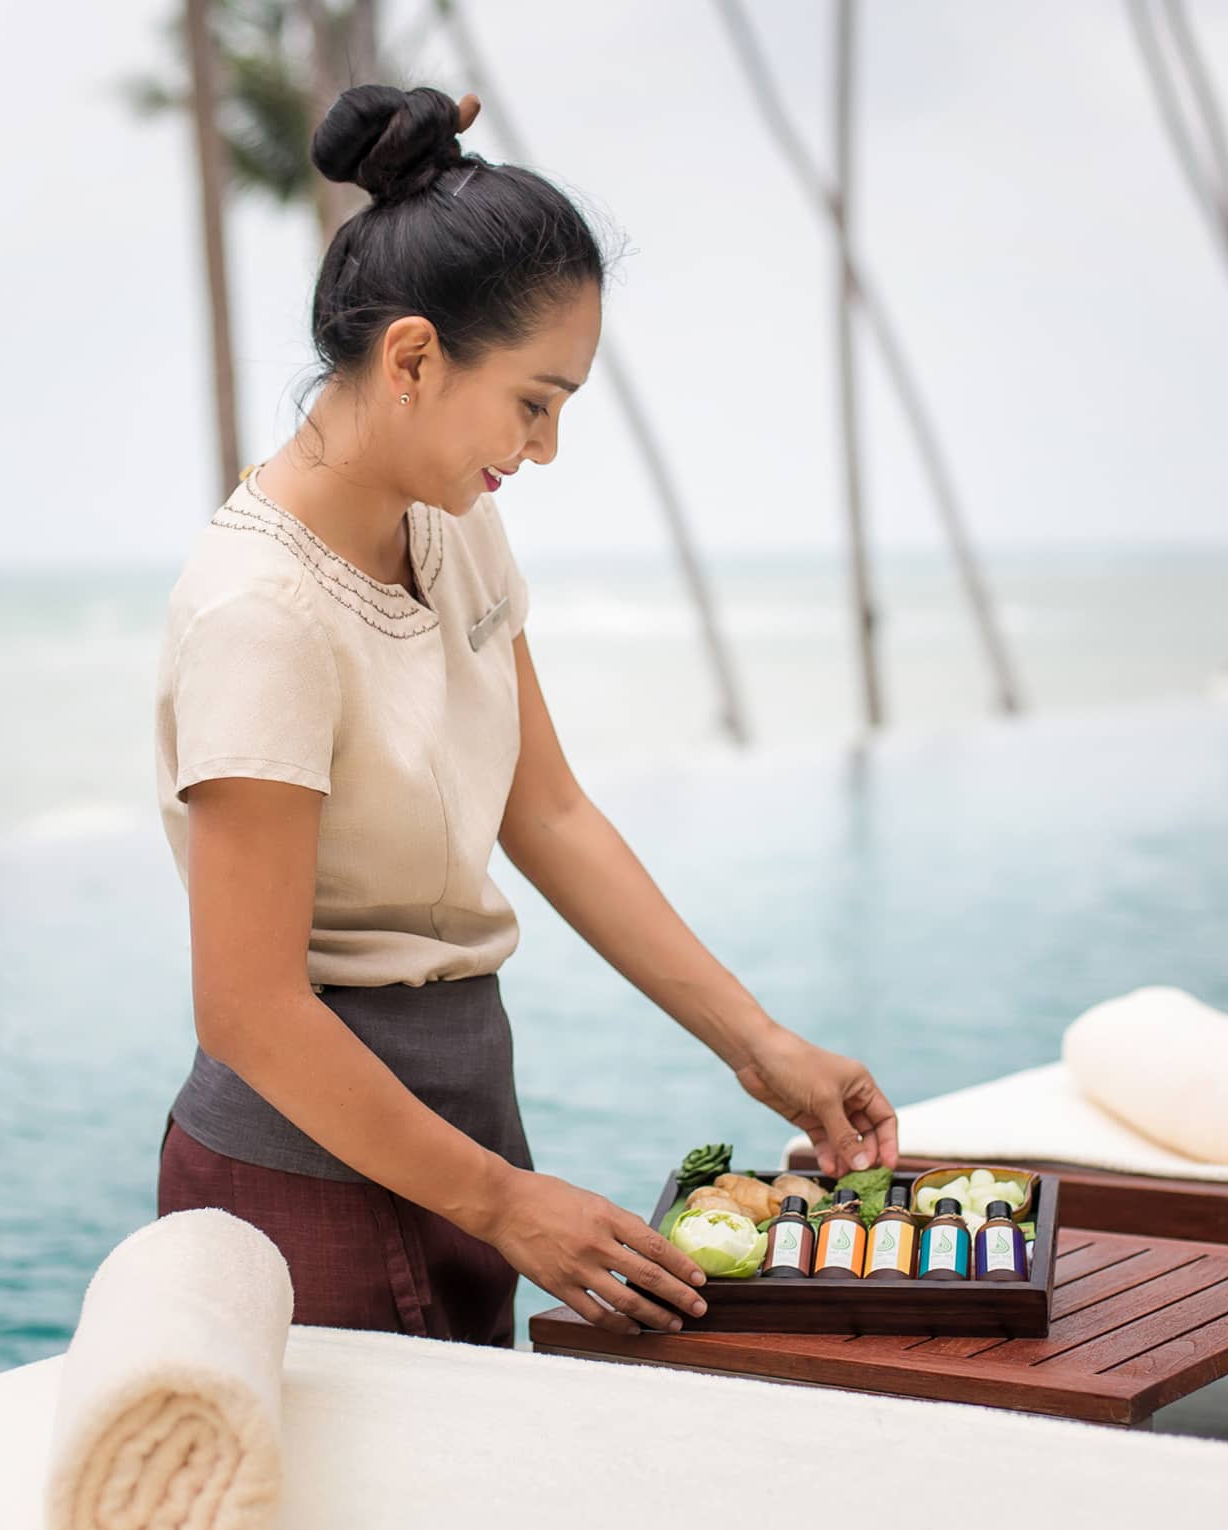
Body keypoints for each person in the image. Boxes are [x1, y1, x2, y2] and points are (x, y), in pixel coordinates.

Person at [154, 83, 898, 1347]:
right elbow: (248, 1008)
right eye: (534, 402)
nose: (543, 450)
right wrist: (504, 1202)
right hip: (309, 1181)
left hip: (465, 1133)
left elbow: (544, 808)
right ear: (411, 357)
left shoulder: (457, 529)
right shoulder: (260, 615)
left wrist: (758, 1045)